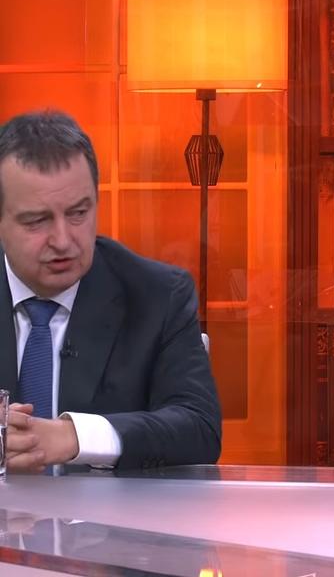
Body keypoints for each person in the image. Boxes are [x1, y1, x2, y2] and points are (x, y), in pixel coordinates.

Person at [0, 110, 222, 472]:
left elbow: (198, 428)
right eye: (37, 220)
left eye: (78, 213)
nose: (63, 240)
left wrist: (76, 437)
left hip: (109, 510)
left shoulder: (158, 295)